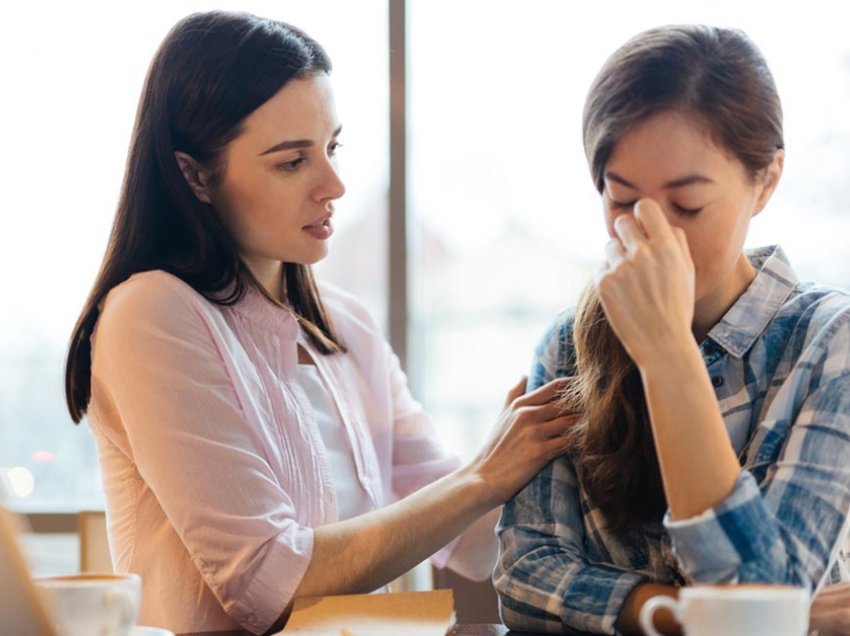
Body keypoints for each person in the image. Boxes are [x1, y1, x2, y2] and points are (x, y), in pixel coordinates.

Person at [63, 11, 575, 635]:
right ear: (195, 176)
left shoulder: (347, 327)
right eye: (290, 162)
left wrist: (567, 436)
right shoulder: (152, 312)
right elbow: (265, 582)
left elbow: (474, 543)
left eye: (331, 148)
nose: (333, 184)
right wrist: (483, 476)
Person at [493, 24, 850, 636]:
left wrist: (667, 353)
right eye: (622, 201)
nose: (650, 232)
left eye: (686, 206)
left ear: (765, 180)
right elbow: (525, 580)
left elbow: (760, 603)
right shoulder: (567, 342)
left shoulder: (829, 341)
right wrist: (684, 613)